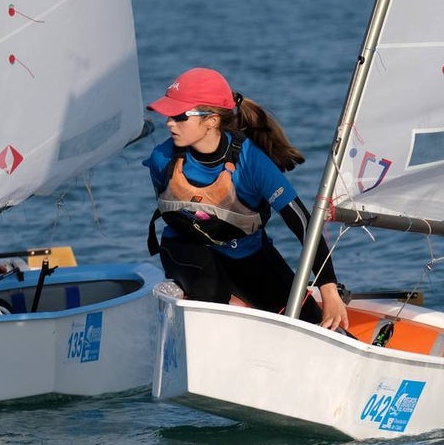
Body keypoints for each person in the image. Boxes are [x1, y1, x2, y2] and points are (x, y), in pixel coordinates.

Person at [143, 68, 349, 331]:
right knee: (211, 292)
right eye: (169, 115)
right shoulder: (163, 159)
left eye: (180, 116)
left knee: (312, 324)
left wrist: (329, 291)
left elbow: (302, 223)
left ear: (211, 121)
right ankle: (228, 302)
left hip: (247, 254)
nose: (170, 123)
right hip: (186, 249)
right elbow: (172, 215)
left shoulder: (252, 162)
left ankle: (241, 303)